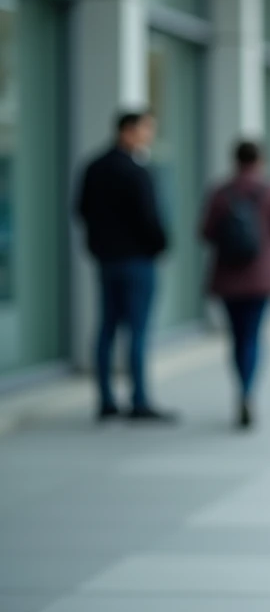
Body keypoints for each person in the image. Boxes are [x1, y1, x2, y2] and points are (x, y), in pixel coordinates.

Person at [75, 110, 175, 423]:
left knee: (107, 328)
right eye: (147, 129)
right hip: (136, 260)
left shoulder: (94, 166)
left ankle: (105, 399)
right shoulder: (136, 170)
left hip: (107, 259)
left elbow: (81, 210)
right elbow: (149, 218)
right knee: (138, 331)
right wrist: (160, 244)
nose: (149, 135)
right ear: (129, 130)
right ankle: (139, 399)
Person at [200, 140, 270, 430]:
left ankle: (241, 388)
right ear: (261, 160)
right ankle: (248, 392)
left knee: (236, 336)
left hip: (229, 277)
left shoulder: (220, 192)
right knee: (253, 336)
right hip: (260, 276)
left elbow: (205, 232)